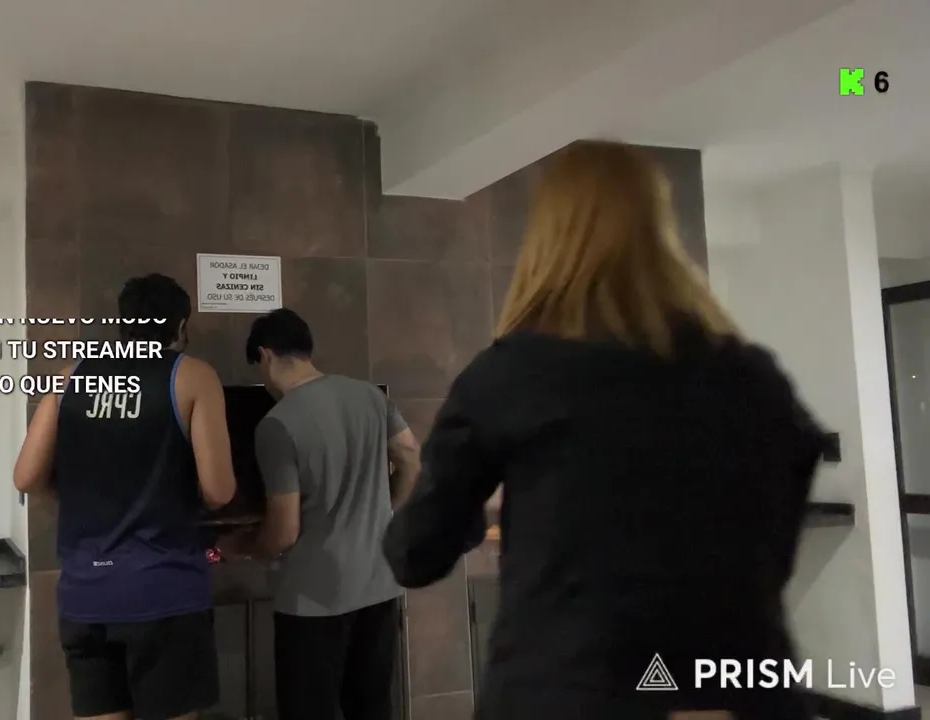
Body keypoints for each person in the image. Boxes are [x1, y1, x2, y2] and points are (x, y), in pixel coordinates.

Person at [382, 140, 825, 720]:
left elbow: (416, 554)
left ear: (548, 241)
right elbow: (774, 551)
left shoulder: (515, 372)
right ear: (661, 234)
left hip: (569, 693)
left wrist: (471, 506)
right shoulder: (755, 378)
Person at [13, 273, 237, 720]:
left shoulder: (71, 377)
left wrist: (77, 498)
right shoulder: (193, 376)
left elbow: (26, 477)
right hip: (164, 591)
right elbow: (219, 490)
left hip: (86, 594)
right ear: (181, 325)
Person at [218, 308, 421, 720]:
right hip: (379, 585)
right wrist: (383, 512)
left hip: (313, 600)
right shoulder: (371, 396)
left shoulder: (278, 424)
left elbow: (284, 531)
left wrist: (242, 546)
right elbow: (411, 458)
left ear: (265, 355)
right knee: (372, 707)